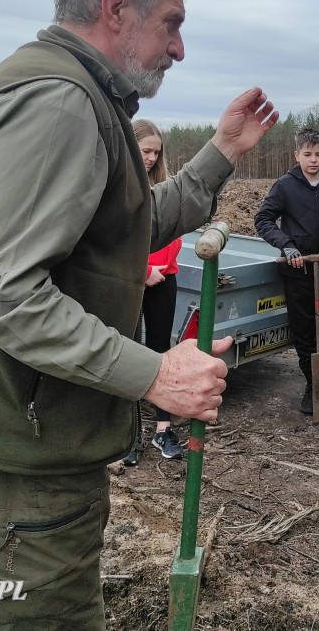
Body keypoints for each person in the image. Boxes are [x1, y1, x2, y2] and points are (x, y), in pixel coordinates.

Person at [0, 0, 278, 629]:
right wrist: (152, 373)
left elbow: (114, 225)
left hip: (21, 429)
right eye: (171, 24)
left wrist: (220, 154)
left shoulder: (70, 92)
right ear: (115, 7)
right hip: (20, 449)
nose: (179, 48)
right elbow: (1, 292)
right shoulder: (60, 103)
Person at [255, 127, 319, 416]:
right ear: (297, 155)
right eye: (307, 154)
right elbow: (263, 219)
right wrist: (286, 246)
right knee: (305, 331)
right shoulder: (285, 186)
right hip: (298, 273)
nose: (313, 160)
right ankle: (314, 385)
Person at [122, 120, 184, 466]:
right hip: (131, 279)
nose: (150, 157)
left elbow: (174, 230)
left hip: (165, 278)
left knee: (161, 350)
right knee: (128, 350)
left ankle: (163, 428)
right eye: (146, 150)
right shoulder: (118, 184)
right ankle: (129, 434)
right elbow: (114, 239)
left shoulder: (163, 186)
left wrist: (159, 270)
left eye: (156, 152)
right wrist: (142, 272)